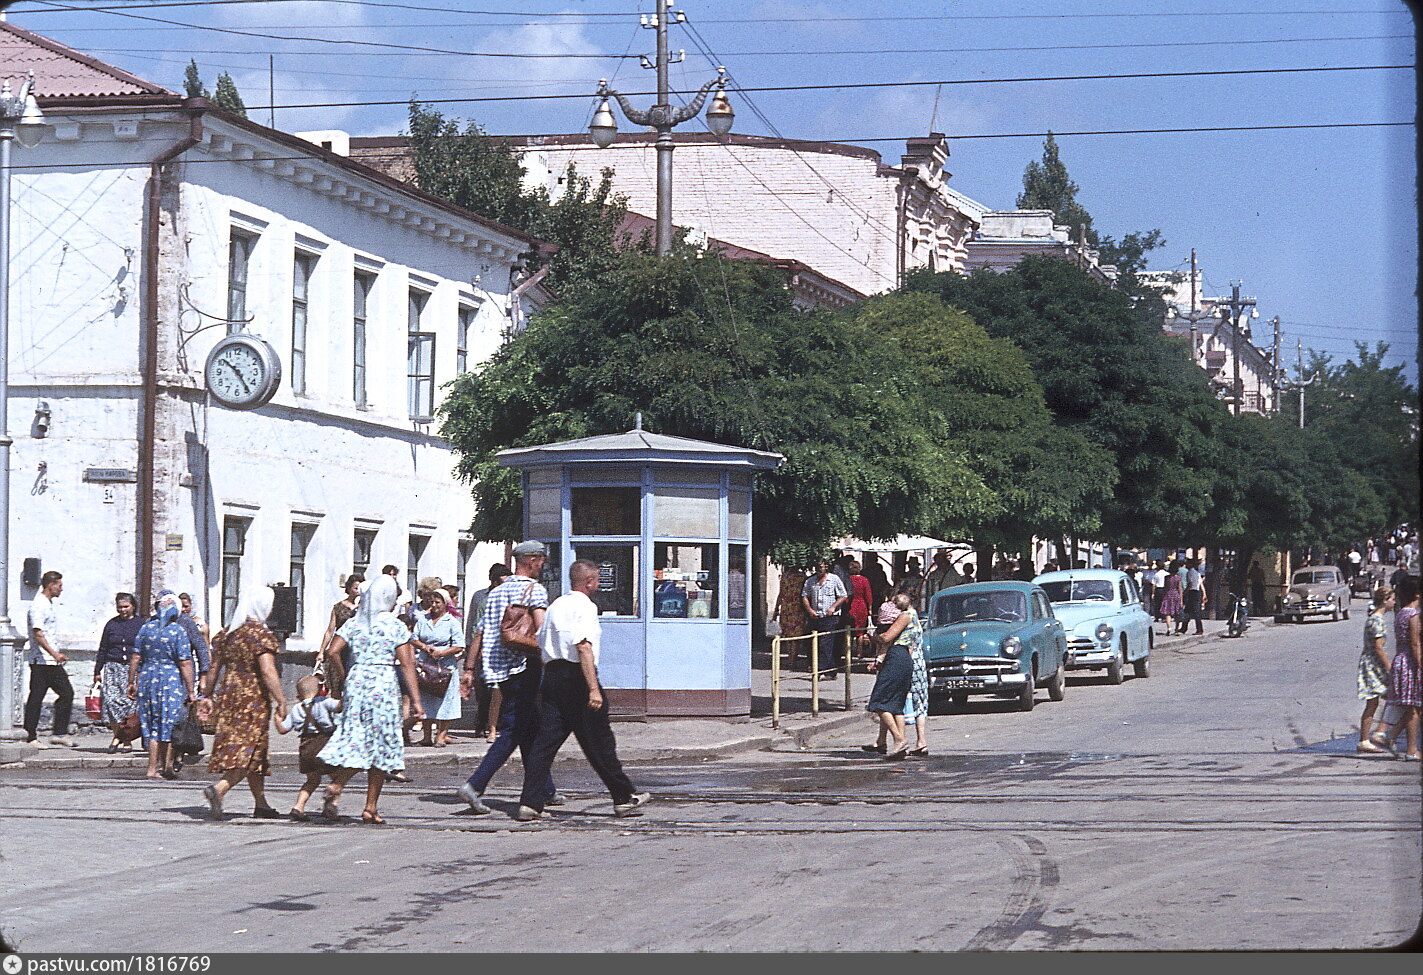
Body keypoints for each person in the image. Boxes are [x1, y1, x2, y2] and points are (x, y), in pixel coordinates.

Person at [513, 559, 651, 822]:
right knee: (599, 740)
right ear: (589, 583)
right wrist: (593, 688)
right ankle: (623, 797)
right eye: (597, 580)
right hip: (577, 677)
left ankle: (530, 803)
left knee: (545, 743)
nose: (598, 585)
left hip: (552, 675)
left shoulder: (555, 605)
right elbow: (584, 646)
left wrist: (551, 677)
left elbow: (542, 643)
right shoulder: (585, 607)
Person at [454, 541, 559, 816]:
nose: (542, 566)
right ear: (533, 560)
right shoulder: (534, 590)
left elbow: (479, 633)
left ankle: (544, 789)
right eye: (541, 561)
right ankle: (476, 784)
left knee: (529, 730)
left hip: (499, 670)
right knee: (513, 730)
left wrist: (469, 669)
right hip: (526, 667)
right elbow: (543, 630)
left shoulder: (496, 592)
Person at [317, 575, 423, 824]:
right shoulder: (395, 625)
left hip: (357, 682)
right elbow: (407, 664)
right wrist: (417, 701)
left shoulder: (356, 622)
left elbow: (332, 651)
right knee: (382, 743)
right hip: (383, 683)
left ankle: (338, 785)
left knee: (358, 738)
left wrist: (344, 676)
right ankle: (370, 806)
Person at [198, 587, 287, 821]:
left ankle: (261, 804)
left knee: (251, 749)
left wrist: (207, 695)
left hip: (229, 695)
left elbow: (214, 668)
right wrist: (281, 699)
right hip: (252, 697)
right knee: (247, 749)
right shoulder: (261, 635)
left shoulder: (228, 633)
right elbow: (267, 671)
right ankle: (219, 789)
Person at [128, 591, 196, 780]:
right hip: (170, 679)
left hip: (148, 679)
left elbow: (136, 656)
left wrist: (131, 682)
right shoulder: (177, 631)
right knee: (168, 722)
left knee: (151, 724)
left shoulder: (146, 629)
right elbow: (185, 662)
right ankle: (165, 766)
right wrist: (191, 690)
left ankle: (152, 768)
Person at [274, 674, 342, 821]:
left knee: (312, 780)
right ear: (320, 691)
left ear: (298, 696)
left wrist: (277, 719)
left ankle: (298, 807)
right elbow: (340, 706)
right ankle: (331, 806)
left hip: (306, 748)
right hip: (326, 745)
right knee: (336, 778)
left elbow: (282, 729)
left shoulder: (296, 708)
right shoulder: (324, 702)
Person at [862, 592, 920, 760]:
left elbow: (887, 637)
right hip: (904, 658)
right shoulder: (914, 615)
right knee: (896, 703)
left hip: (896, 657)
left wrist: (873, 636)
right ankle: (887, 743)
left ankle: (899, 739)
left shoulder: (905, 616)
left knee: (878, 701)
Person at [24, 571, 76, 747]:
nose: (61, 589)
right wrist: (55, 654)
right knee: (37, 697)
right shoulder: (38, 605)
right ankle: (30, 736)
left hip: (50, 661)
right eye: (59, 585)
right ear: (50, 585)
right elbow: (38, 634)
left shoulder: (47, 604)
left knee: (66, 694)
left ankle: (59, 733)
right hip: (42, 661)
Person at [411, 586, 464, 747]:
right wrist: (425, 647)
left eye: (437, 602)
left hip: (445, 666)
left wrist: (442, 652)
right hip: (426, 665)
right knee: (427, 699)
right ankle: (426, 736)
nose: (434, 605)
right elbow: (413, 638)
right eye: (432, 602)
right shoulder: (423, 620)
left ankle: (441, 735)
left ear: (445, 603)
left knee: (446, 702)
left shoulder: (452, 622)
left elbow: (459, 645)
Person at [94, 592, 143, 753]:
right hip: (113, 668)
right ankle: (119, 736)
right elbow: (103, 648)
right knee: (112, 702)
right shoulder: (111, 624)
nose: (122, 610)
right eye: (119, 607)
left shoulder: (140, 624)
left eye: (125, 607)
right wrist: (97, 670)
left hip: (131, 669)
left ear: (133, 606)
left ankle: (123, 740)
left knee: (129, 704)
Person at [467, 563, 510, 739]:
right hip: (482, 650)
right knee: (483, 690)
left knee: (498, 690)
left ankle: (496, 723)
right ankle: (481, 723)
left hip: (502, 649)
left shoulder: (508, 597)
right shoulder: (481, 597)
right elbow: (474, 624)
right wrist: (471, 648)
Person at [1384, 576, 1420, 761]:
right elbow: (1415, 644)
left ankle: (1392, 734)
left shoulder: (1401, 613)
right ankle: (1411, 750)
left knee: (1412, 707)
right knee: (1414, 707)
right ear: (1417, 594)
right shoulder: (1413, 615)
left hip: (1401, 661)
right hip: (1410, 664)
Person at [1356, 586, 1396, 754]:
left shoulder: (1374, 619)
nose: (1394, 602)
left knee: (1377, 701)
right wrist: (1390, 668)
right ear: (1385, 601)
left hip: (1372, 664)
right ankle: (1371, 737)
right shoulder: (1376, 620)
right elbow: (1379, 648)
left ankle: (1376, 735)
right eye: (1392, 599)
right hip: (1374, 665)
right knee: (1375, 701)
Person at [317, 574, 363, 697]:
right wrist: (321, 651)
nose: (358, 592)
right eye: (355, 589)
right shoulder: (339, 607)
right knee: (337, 684)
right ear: (348, 589)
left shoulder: (364, 608)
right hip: (339, 650)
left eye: (360, 589)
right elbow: (330, 630)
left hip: (355, 649)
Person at [799, 559, 847, 673]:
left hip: (829, 617)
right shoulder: (810, 581)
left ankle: (821, 669)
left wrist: (833, 607)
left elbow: (843, 595)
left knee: (826, 644)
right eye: (816, 567)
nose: (818, 570)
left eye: (820, 567)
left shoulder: (834, 579)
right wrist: (809, 610)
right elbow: (804, 595)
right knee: (813, 643)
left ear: (826, 567)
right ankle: (829, 669)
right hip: (815, 617)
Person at [771, 565, 809, 664]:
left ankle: (790, 657)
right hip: (798, 608)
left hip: (787, 608)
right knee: (797, 635)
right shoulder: (803, 577)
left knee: (788, 634)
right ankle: (794, 657)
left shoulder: (785, 577)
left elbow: (781, 594)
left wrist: (776, 609)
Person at [847, 560, 875, 660]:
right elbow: (868, 595)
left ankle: (848, 653)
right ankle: (859, 652)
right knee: (860, 632)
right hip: (861, 606)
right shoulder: (864, 580)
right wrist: (870, 608)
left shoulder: (847, 579)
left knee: (848, 631)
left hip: (850, 605)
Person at [1158, 561, 1184, 634]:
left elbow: (1165, 587)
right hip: (1176, 595)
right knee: (1177, 612)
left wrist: (1163, 596)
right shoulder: (1178, 578)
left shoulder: (1166, 578)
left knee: (1167, 612)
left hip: (1168, 594)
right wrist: (1181, 599)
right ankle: (1176, 629)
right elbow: (1180, 589)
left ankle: (1169, 627)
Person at [1182, 558, 1206, 635]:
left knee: (1195, 612)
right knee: (1187, 611)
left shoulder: (1190, 573)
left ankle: (1199, 629)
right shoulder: (1197, 573)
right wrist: (1204, 594)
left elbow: (1190, 584)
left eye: (1187, 564)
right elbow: (1200, 584)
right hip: (1197, 592)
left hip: (1192, 592)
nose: (1186, 565)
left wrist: (1184, 592)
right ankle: (1184, 627)